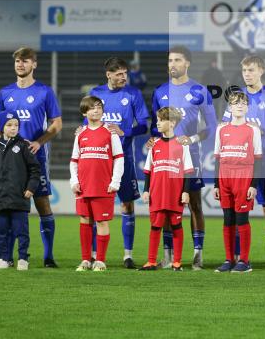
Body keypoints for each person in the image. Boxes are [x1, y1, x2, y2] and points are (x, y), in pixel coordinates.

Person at [0, 47, 63, 268]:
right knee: (10, 206)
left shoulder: (45, 92)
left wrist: (39, 142)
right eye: (17, 61)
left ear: (34, 64)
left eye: (25, 61)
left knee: (42, 203)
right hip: (11, 160)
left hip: (36, 157)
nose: (20, 64)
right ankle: (7, 257)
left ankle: (48, 256)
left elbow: (57, 124)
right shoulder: (5, 92)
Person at [151, 45, 217, 269]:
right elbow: (155, 125)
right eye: (170, 60)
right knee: (166, 206)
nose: (173, 64)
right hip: (166, 159)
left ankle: (198, 255)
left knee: (195, 204)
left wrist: (193, 139)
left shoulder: (200, 91)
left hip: (191, 157)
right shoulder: (160, 91)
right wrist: (154, 141)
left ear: (187, 63)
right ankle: (168, 257)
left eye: (177, 60)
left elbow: (212, 126)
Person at [221, 55, 265, 272]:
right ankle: (238, 258)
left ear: (261, 71)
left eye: (251, 70)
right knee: (237, 213)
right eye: (244, 71)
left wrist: (257, 130)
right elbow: (225, 125)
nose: (247, 74)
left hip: (263, 162)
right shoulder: (237, 97)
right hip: (239, 165)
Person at [87, 57, 150, 268]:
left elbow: (144, 125)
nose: (124, 77)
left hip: (124, 159)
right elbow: (87, 121)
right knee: (95, 208)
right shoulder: (96, 93)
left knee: (126, 204)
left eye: (125, 73)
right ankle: (94, 255)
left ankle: (127, 255)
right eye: (119, 74)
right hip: (99, 160)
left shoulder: (133, 94)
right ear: (108, 75)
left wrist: (125, 131)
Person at [69, 96, 124, 272]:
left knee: (101, 221)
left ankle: (100, 261)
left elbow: (119, 158)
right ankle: (85, 260)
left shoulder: (110, 132)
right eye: (92, 108)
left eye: (99, 107)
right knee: (85, 221)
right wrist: (74, 180)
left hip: (103, 186)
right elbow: (74, 160)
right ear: (84, 112)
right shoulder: (80, 134)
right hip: (83, 186)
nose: (96, 110)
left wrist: (115, 181)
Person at [139, 106, 194, 271]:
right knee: (155, 226)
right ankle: (151, 261)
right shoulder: (154, 144)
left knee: (176, 225)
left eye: (161, 120)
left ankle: (177, 262)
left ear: (172, 123)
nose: (158, 123)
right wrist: (146, 190)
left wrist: (185, 191)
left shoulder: (182, 144)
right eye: (157, 120)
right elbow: (148, 170)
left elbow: (188, 171)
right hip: (157, 193)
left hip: (175, 193)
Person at [212, 91, 262, 273]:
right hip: (225, 176)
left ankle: (244, 261)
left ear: (247, 107)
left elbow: (258, 160)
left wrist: (253, 185)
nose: (239, 106)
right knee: (228, 219)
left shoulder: (253, 129)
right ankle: (229, 259)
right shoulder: (221, 129)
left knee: (241, 219)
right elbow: (217, 159)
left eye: (243, 103)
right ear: (230, 107)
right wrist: (216, 184)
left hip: (244, 176)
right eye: (235, 103)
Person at [0, 116, 41, 270]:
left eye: (16, 125)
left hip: (19, 197)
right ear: (2, 127)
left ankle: (23, 259)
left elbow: (35, 169)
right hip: (1, 198)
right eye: (9, 125)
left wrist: (31, 188)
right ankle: (3, 259)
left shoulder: (24, 146)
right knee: (2, 231)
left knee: (21, 231)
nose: (13, 128)